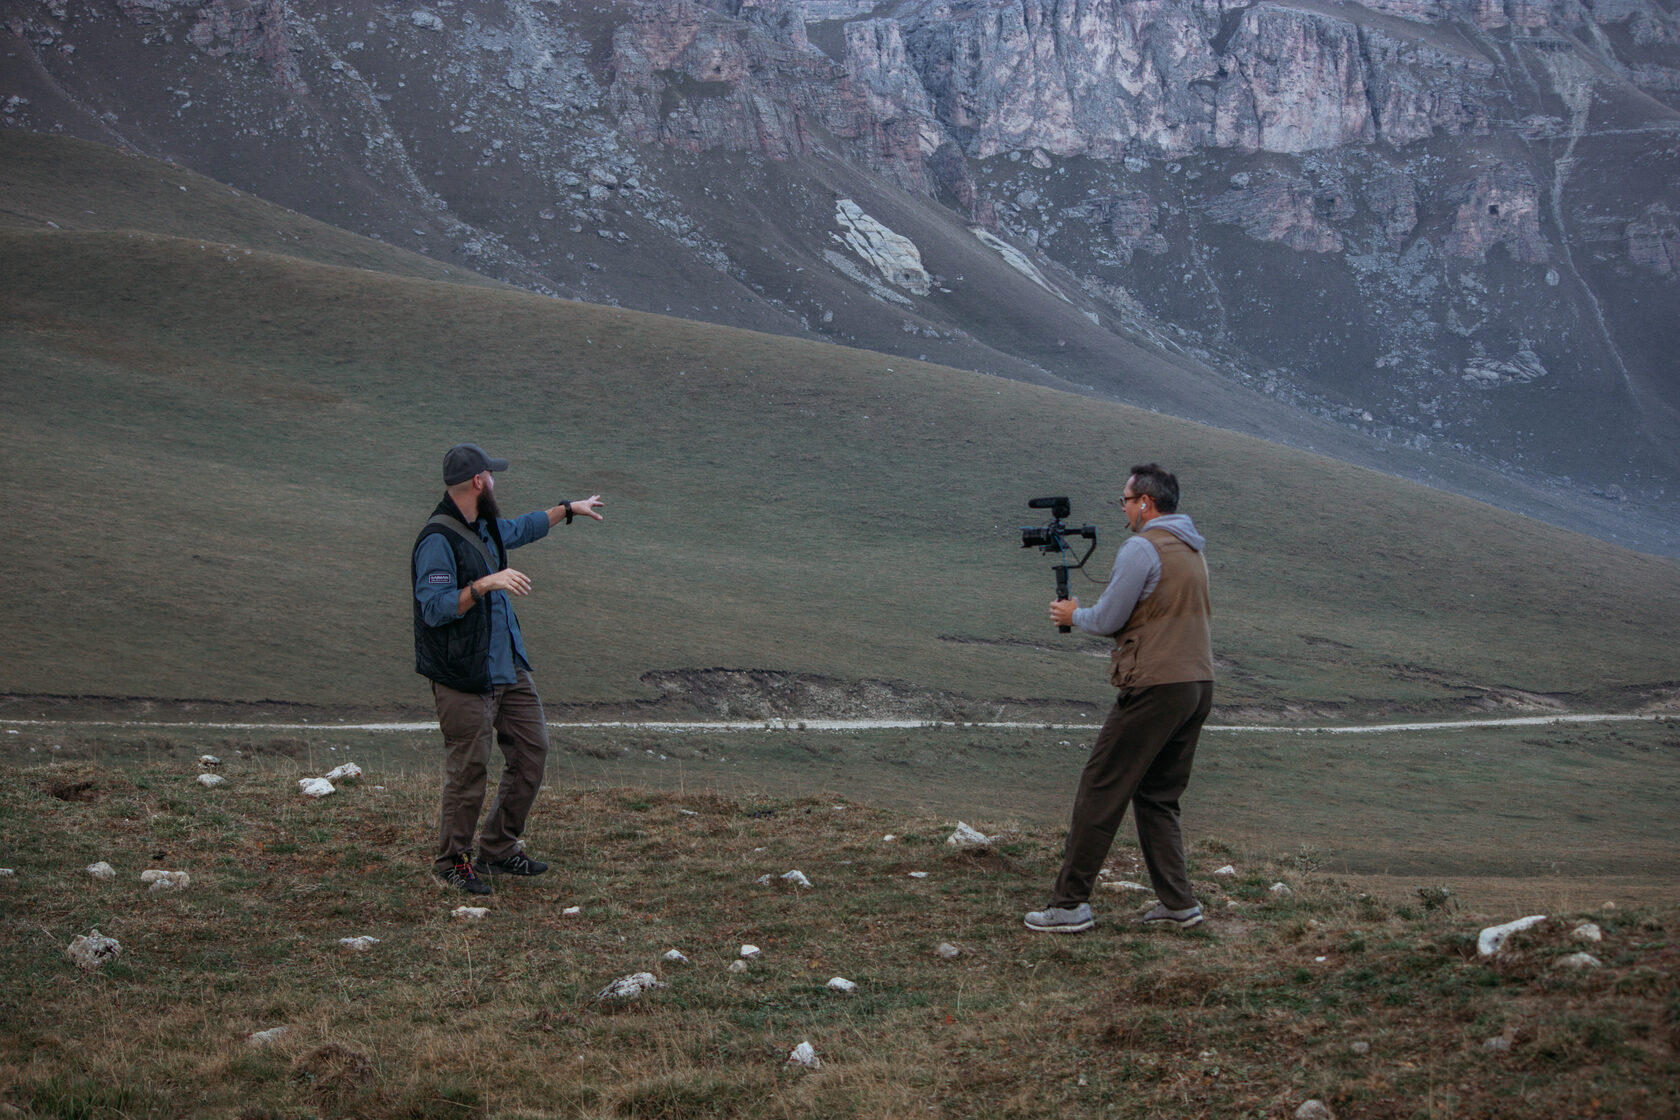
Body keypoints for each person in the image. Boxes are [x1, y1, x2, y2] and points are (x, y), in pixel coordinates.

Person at [1024, 463, 1213, 934]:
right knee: (1158, 794)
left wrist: (1073, 612)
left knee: (1100, 789)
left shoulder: (1142, 547)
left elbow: (1109, 617)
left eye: (1125, 501)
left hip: (1155, 684)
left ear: (1145, 503)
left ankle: (1069, 905)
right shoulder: (1192, 548)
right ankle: (1178, 903)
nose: (1124, 509)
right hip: (1197, 684)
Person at [412, 442, 604, 895]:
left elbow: (522, 528)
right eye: (492, 475)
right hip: (463, 675)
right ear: (479, 482)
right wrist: (485, 583)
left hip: (507, 668)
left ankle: (498, 848)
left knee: (531, 751)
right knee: (469, 771)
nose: (496, 481)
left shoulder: (486, 526)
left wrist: (568, 510)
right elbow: (434, 609)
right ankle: (452, 862)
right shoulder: (437, 539)